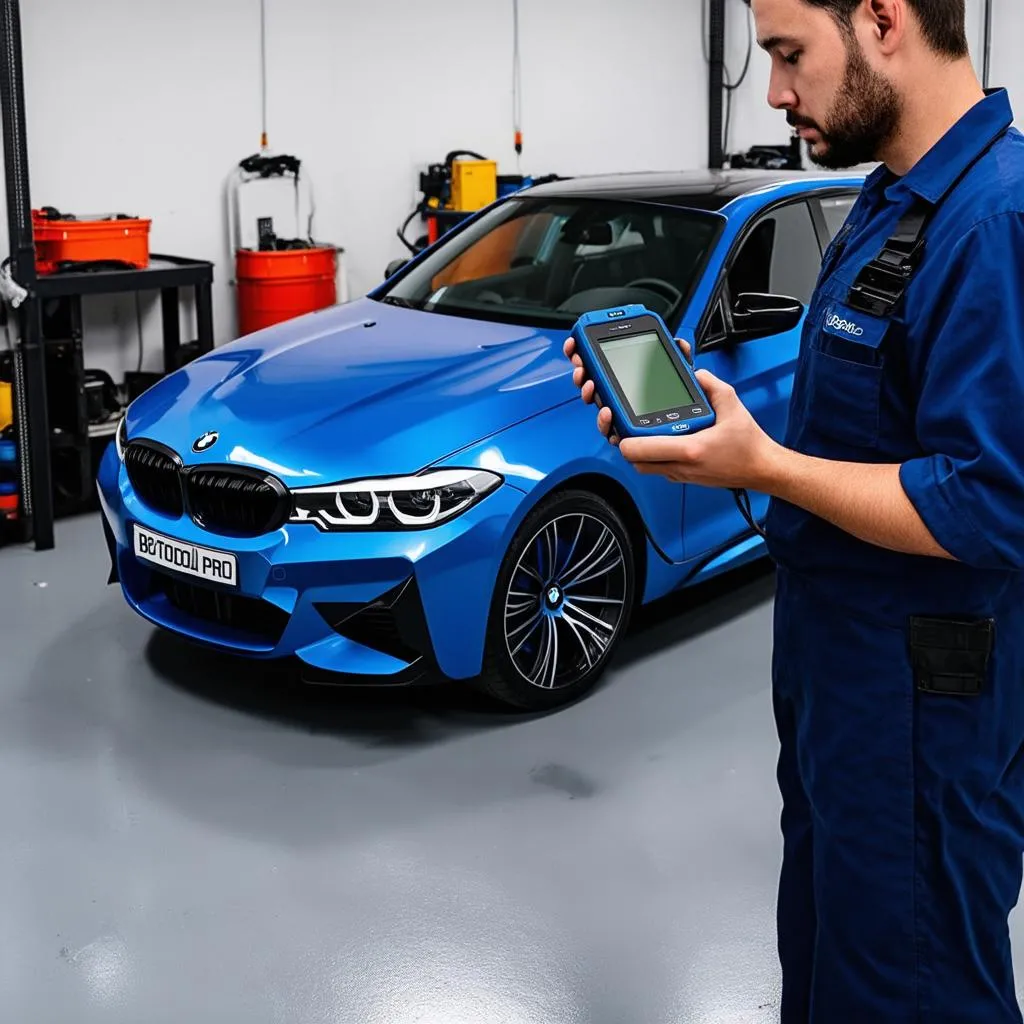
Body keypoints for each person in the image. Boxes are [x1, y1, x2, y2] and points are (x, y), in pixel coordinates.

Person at [565, 0, 1024, 1020]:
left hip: (919, 702)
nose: (773, 92)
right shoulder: (886, 199)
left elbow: (993, 501)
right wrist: (723, 440)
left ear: (882, 18)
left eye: (787, 54)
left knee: (913, 977)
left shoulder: (993, 220)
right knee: (829, 960)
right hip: (837, 672)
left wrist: (765, 465)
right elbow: (857, 436)